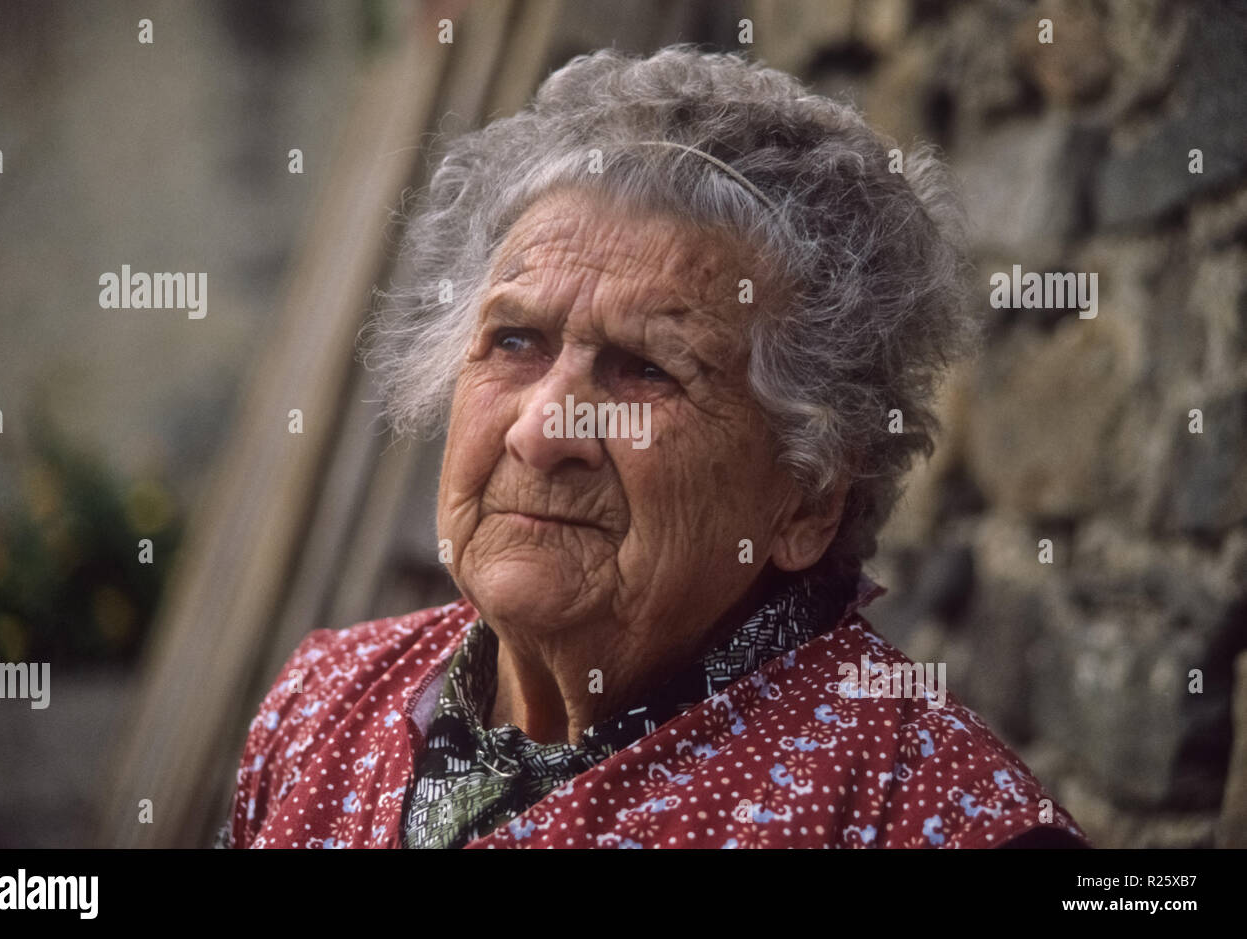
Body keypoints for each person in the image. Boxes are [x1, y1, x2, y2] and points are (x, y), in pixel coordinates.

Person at [221, 45, 1088, 849]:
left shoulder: (921, 815)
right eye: (515, 342)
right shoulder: (326, 698)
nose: (538, 430)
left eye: (645, 369)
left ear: (810, 494)